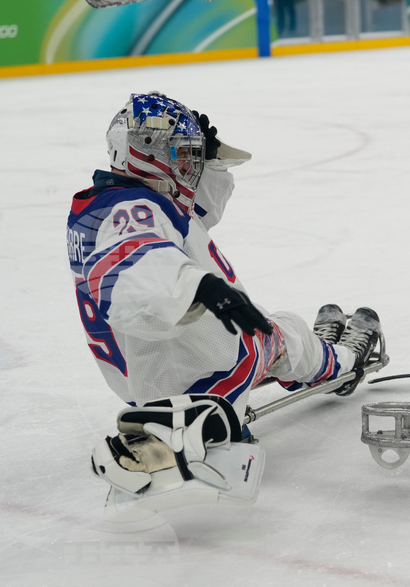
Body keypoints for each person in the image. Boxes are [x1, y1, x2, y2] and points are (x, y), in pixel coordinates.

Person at [67, 92, 383, 444]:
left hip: (155, 366)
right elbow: (136, 261)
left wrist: (211, 162)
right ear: (146, 151)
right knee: (283, 334)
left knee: (278, 333)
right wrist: (197, 288)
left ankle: (313, 357)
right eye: (182, 152)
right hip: (196, 371)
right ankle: (342, 362)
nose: (190, 164)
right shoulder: (133, 211)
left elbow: (195, 218)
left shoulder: (115, 204)